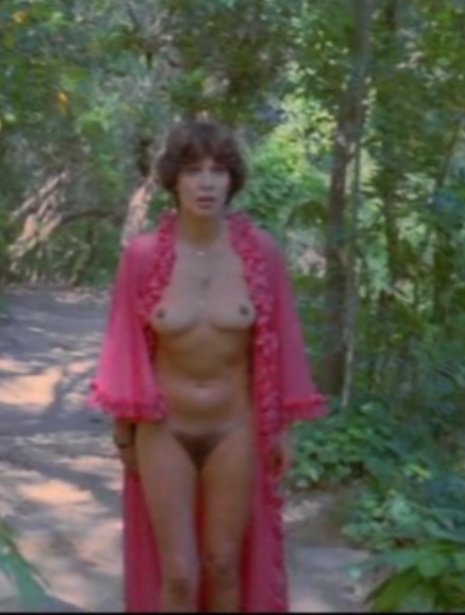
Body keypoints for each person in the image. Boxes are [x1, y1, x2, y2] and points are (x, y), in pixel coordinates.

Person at [89, 118, 328, 612]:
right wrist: (123, 433)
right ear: (173, 180)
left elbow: (282, 344)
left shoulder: (261, 253)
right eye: (193, 170)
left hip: (235, 429)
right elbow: (126, 348)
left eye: (218, 171)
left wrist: (283, 430)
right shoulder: (143, 256)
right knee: (178, 575)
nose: (206, 182)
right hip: (165, 430)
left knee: (223, 563)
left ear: (232, 180)